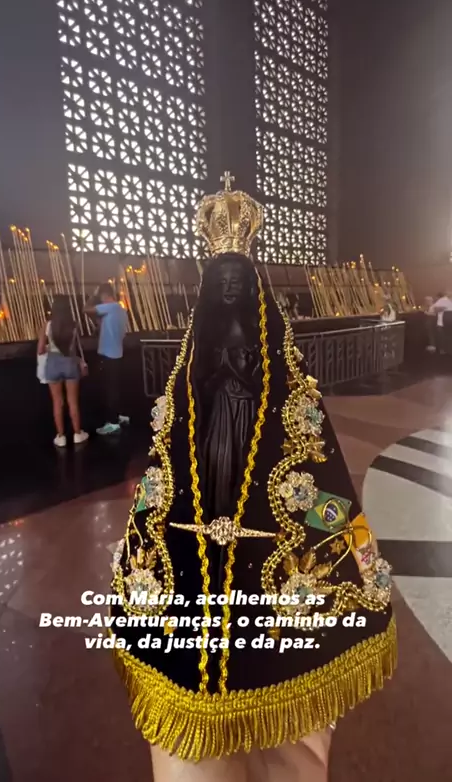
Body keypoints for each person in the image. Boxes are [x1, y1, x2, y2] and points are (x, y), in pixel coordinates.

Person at [110, 179, 396, 782]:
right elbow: (163, 482)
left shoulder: (285, 389)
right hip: (210, 459)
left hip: (262, 471)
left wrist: (356, 554)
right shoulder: (191, 384)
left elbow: (321, 489)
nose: (230, 299)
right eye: (221, 289)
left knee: (292, 751)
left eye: (239, 288)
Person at [37, 295, 88, 447]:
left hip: (53, 365)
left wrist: (50, 348)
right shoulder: (74, 325)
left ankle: (61, 436)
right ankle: (77, 434)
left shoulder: (47, 325)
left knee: (57, 402)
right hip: (70, 364)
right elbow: (74, 349)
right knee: (73, 401)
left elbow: (40, 350)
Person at [85, 283, 128, 435]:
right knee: (116, 387)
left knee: (110, 390)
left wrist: (93, 295)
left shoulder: (110, 307)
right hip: (118, 352)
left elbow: (85, 309)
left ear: (104, 295)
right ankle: (119, 415)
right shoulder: (121, 310)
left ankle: (113, 423)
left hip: (109, 354)